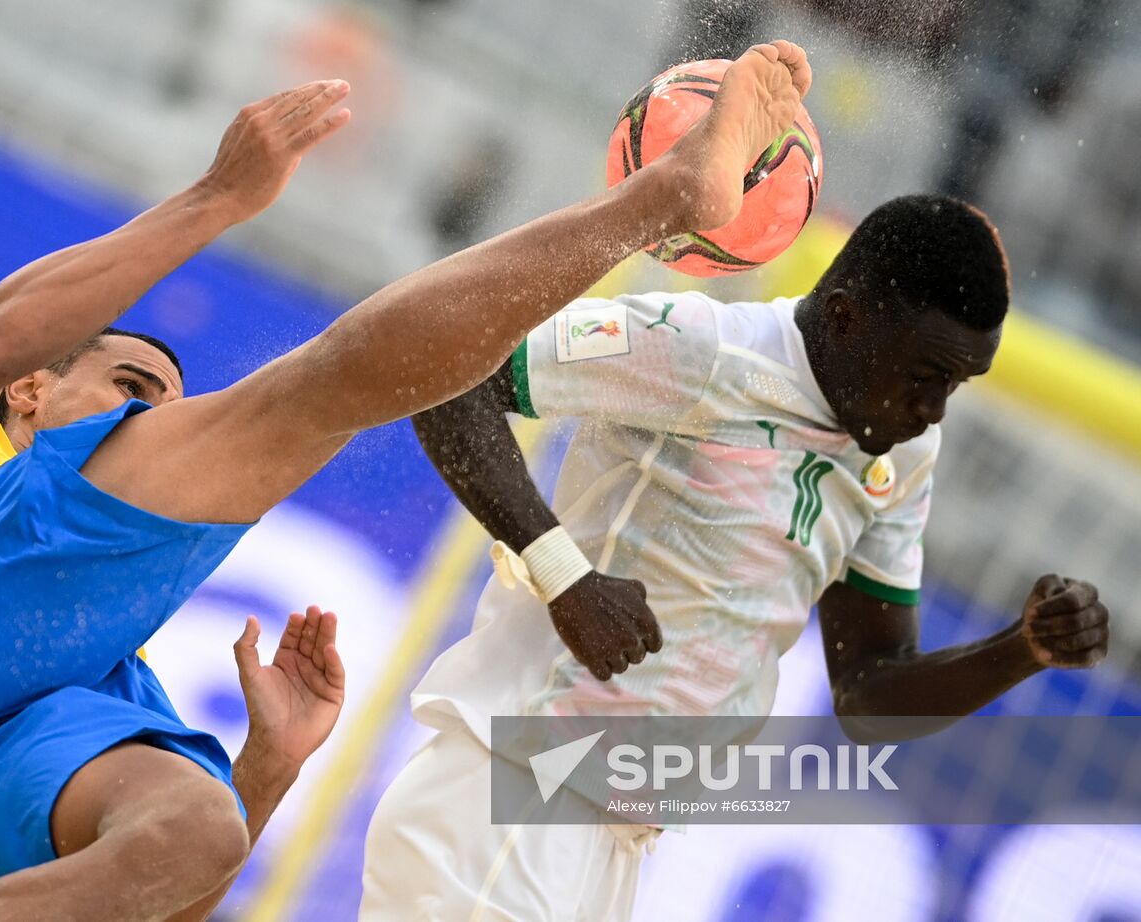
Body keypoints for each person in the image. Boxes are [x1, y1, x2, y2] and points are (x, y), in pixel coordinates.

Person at [0, 42, 814, 922]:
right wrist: (217, 199)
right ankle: (658, 200)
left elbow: (172, 903)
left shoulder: (97, 623)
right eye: (128, 384)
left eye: (158, 400)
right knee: (316, 394)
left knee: (201, 833)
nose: (147, 416)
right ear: (32, 390)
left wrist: (270, 765)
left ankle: (665, 198)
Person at [360, 194, 1111, 920]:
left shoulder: (902, 453)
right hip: (515, 794)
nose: (935, 409)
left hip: (616, 840)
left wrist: (1025, 648)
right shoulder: (702, 349)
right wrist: (564, 575)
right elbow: (450, 373)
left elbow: (870, 697)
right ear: (847, 317)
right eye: (925, 377)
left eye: (956, 386)